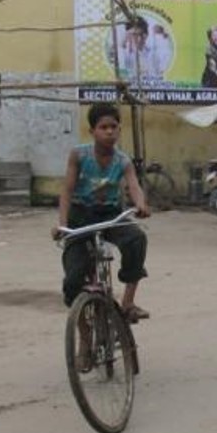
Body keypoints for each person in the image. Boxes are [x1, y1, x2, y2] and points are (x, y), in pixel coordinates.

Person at [55, 103, 151, 321]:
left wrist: (140, 204)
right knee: (73, 279)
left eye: (113, 127)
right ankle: (83, 330)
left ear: (119, 130)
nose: (109, 131)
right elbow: (67, 190)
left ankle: (128, 303)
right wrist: (62, 224)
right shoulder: (79, 155)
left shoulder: (123, 160)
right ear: (92, 131)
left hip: (110, 215)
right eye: (103, 127)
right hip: (80, 217)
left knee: (136, 239)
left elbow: (134, 185)